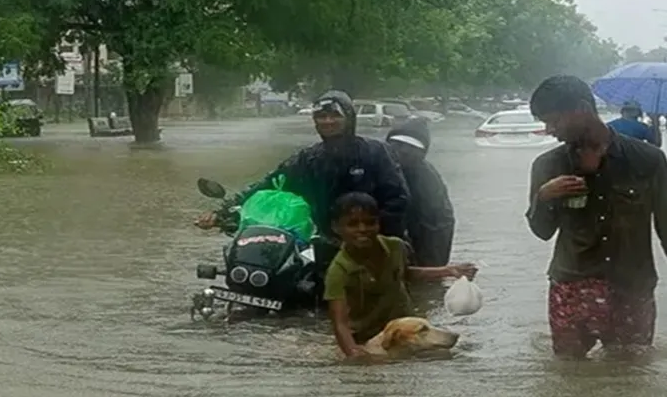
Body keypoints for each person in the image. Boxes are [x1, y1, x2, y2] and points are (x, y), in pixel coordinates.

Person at [525, 75, 667, 359]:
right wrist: (544, 198)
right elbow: (541, 231)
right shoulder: (548, 165)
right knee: (568, 378)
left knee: (633, 376)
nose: (550, 130)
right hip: (572, 288)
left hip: (633, 289)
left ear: (581, 109)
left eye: (554, 121)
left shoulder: (647, 159)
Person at [194, 91, 410, 275]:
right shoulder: (307, 159)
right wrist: (222, 213)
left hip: (372, 242)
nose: (328, 121)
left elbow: (398, 199)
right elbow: (267, 185)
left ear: (350, 118)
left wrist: (369, 238)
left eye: (335, 115)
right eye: (321, 116)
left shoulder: (376, 153)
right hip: (323, 243)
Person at [323, 192, 476, 359]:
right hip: (368, 337)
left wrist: (448, 271)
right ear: (336, 228)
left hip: (407, 328)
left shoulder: (396, 246)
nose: (362, 229)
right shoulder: (338, 271)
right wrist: (354, 353)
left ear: (378, 223)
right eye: (352, 224)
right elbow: (340, 322)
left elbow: (407, 272)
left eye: (370, 222)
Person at [385, 117, 455, 267]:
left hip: (426, 243)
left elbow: (437, 226)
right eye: (398, 144)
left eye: (411, 147)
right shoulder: (381, 167)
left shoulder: (427, 181)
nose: (403, 151)